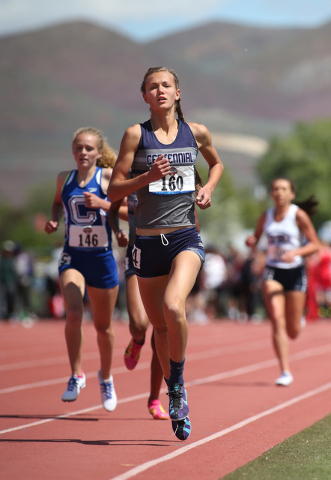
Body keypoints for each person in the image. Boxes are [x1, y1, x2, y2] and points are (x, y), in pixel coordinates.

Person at [107, 66, 223, 440]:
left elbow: (216, 164)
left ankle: (176, 387)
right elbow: (113, 192)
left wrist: (208, 190)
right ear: (144, 96)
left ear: (177, 93)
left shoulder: (196, 132)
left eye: (166, 85)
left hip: (184, 238)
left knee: (175, 307)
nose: (159, 91)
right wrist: (146, 178)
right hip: (145, 244)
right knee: (158, 326)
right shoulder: (134, 135)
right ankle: (175, 392)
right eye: (152, 87)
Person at [45, 127, 123, 411]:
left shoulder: (108, 177)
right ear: (73, 151)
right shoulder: (63, 179)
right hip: (73, 257)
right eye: (79, 148)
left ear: (99, 153)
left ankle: (106, 378)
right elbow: (56, 204)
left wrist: (105, 205)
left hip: (102, 258)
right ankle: (77, 375)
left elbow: (126, 209)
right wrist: (54, 221)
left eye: (89, 148)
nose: (83, 153)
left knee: (103, 327)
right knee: (74, 313)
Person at [246, 177, 320, 386]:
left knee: (293, 331)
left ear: (291, 194)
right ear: (272, 193)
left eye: (283, 189)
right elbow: (255, 240)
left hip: (295, 272)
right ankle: (285, 371)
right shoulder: (266, 216)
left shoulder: (299, 215)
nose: (279, 192)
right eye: (275, 189)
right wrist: (251, 242)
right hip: (272, 271)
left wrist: (295, 252)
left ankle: (298, 320)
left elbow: (314, 244)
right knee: (277, 319)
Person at [108, 195, 169, 420]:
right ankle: (137, 340)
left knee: (162, 333)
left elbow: (193, 223)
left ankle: (154, 398)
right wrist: (117, 232)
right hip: (137, 255)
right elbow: (113, 209)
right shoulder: (131, 181)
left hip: (167, 260)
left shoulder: (175, 180)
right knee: (139, 324)